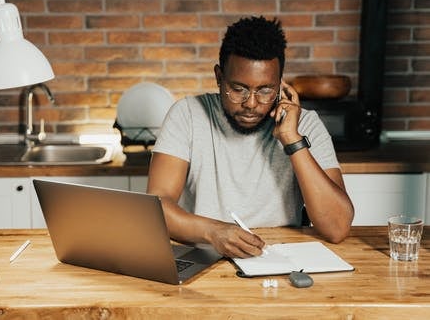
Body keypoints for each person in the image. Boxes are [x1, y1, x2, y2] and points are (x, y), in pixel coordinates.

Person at [146, 16, 354, 259]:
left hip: (279, 259)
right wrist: (213, 232)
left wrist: (292, 140)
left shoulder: (305, 124)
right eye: (238, 89)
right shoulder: (188, 114)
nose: (251, 104)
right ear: (218, 77)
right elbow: (156, 209)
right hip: (204, 257)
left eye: (265, 90)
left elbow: (337, 228)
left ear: (280, 85)